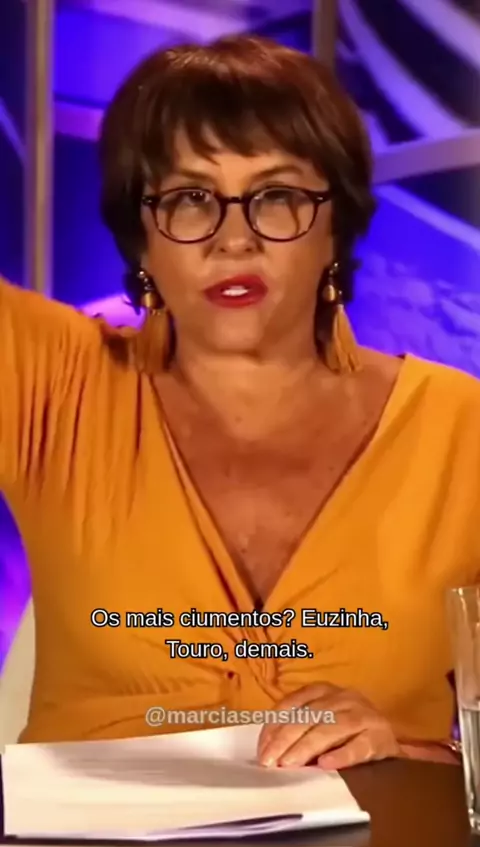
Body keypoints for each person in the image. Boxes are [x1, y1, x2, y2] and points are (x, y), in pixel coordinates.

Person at [1, 34, 478, 770]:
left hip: (375, 828)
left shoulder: (461, 430)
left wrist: (415, 753)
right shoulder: (55, 383)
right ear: (141, 239)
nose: (234, 240)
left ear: (335, 227)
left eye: (277, 196)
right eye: (189, 199)